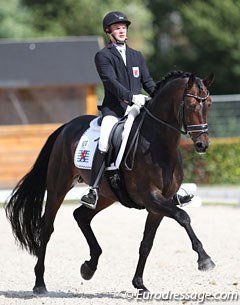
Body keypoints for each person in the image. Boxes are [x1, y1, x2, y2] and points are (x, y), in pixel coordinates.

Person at [80, 11, 192, 208]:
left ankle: (173, 189)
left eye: (124, 28)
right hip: (114, 110)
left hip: (139, 108)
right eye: (117, 28)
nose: (122, 31)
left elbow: (147, 81)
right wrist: (131, 97)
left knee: (164, 138)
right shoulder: (103, 56)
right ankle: (93, 190)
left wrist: (157, 96)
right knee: (105, 140)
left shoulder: (136, 56)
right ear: (109, 31)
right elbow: (110, 82)